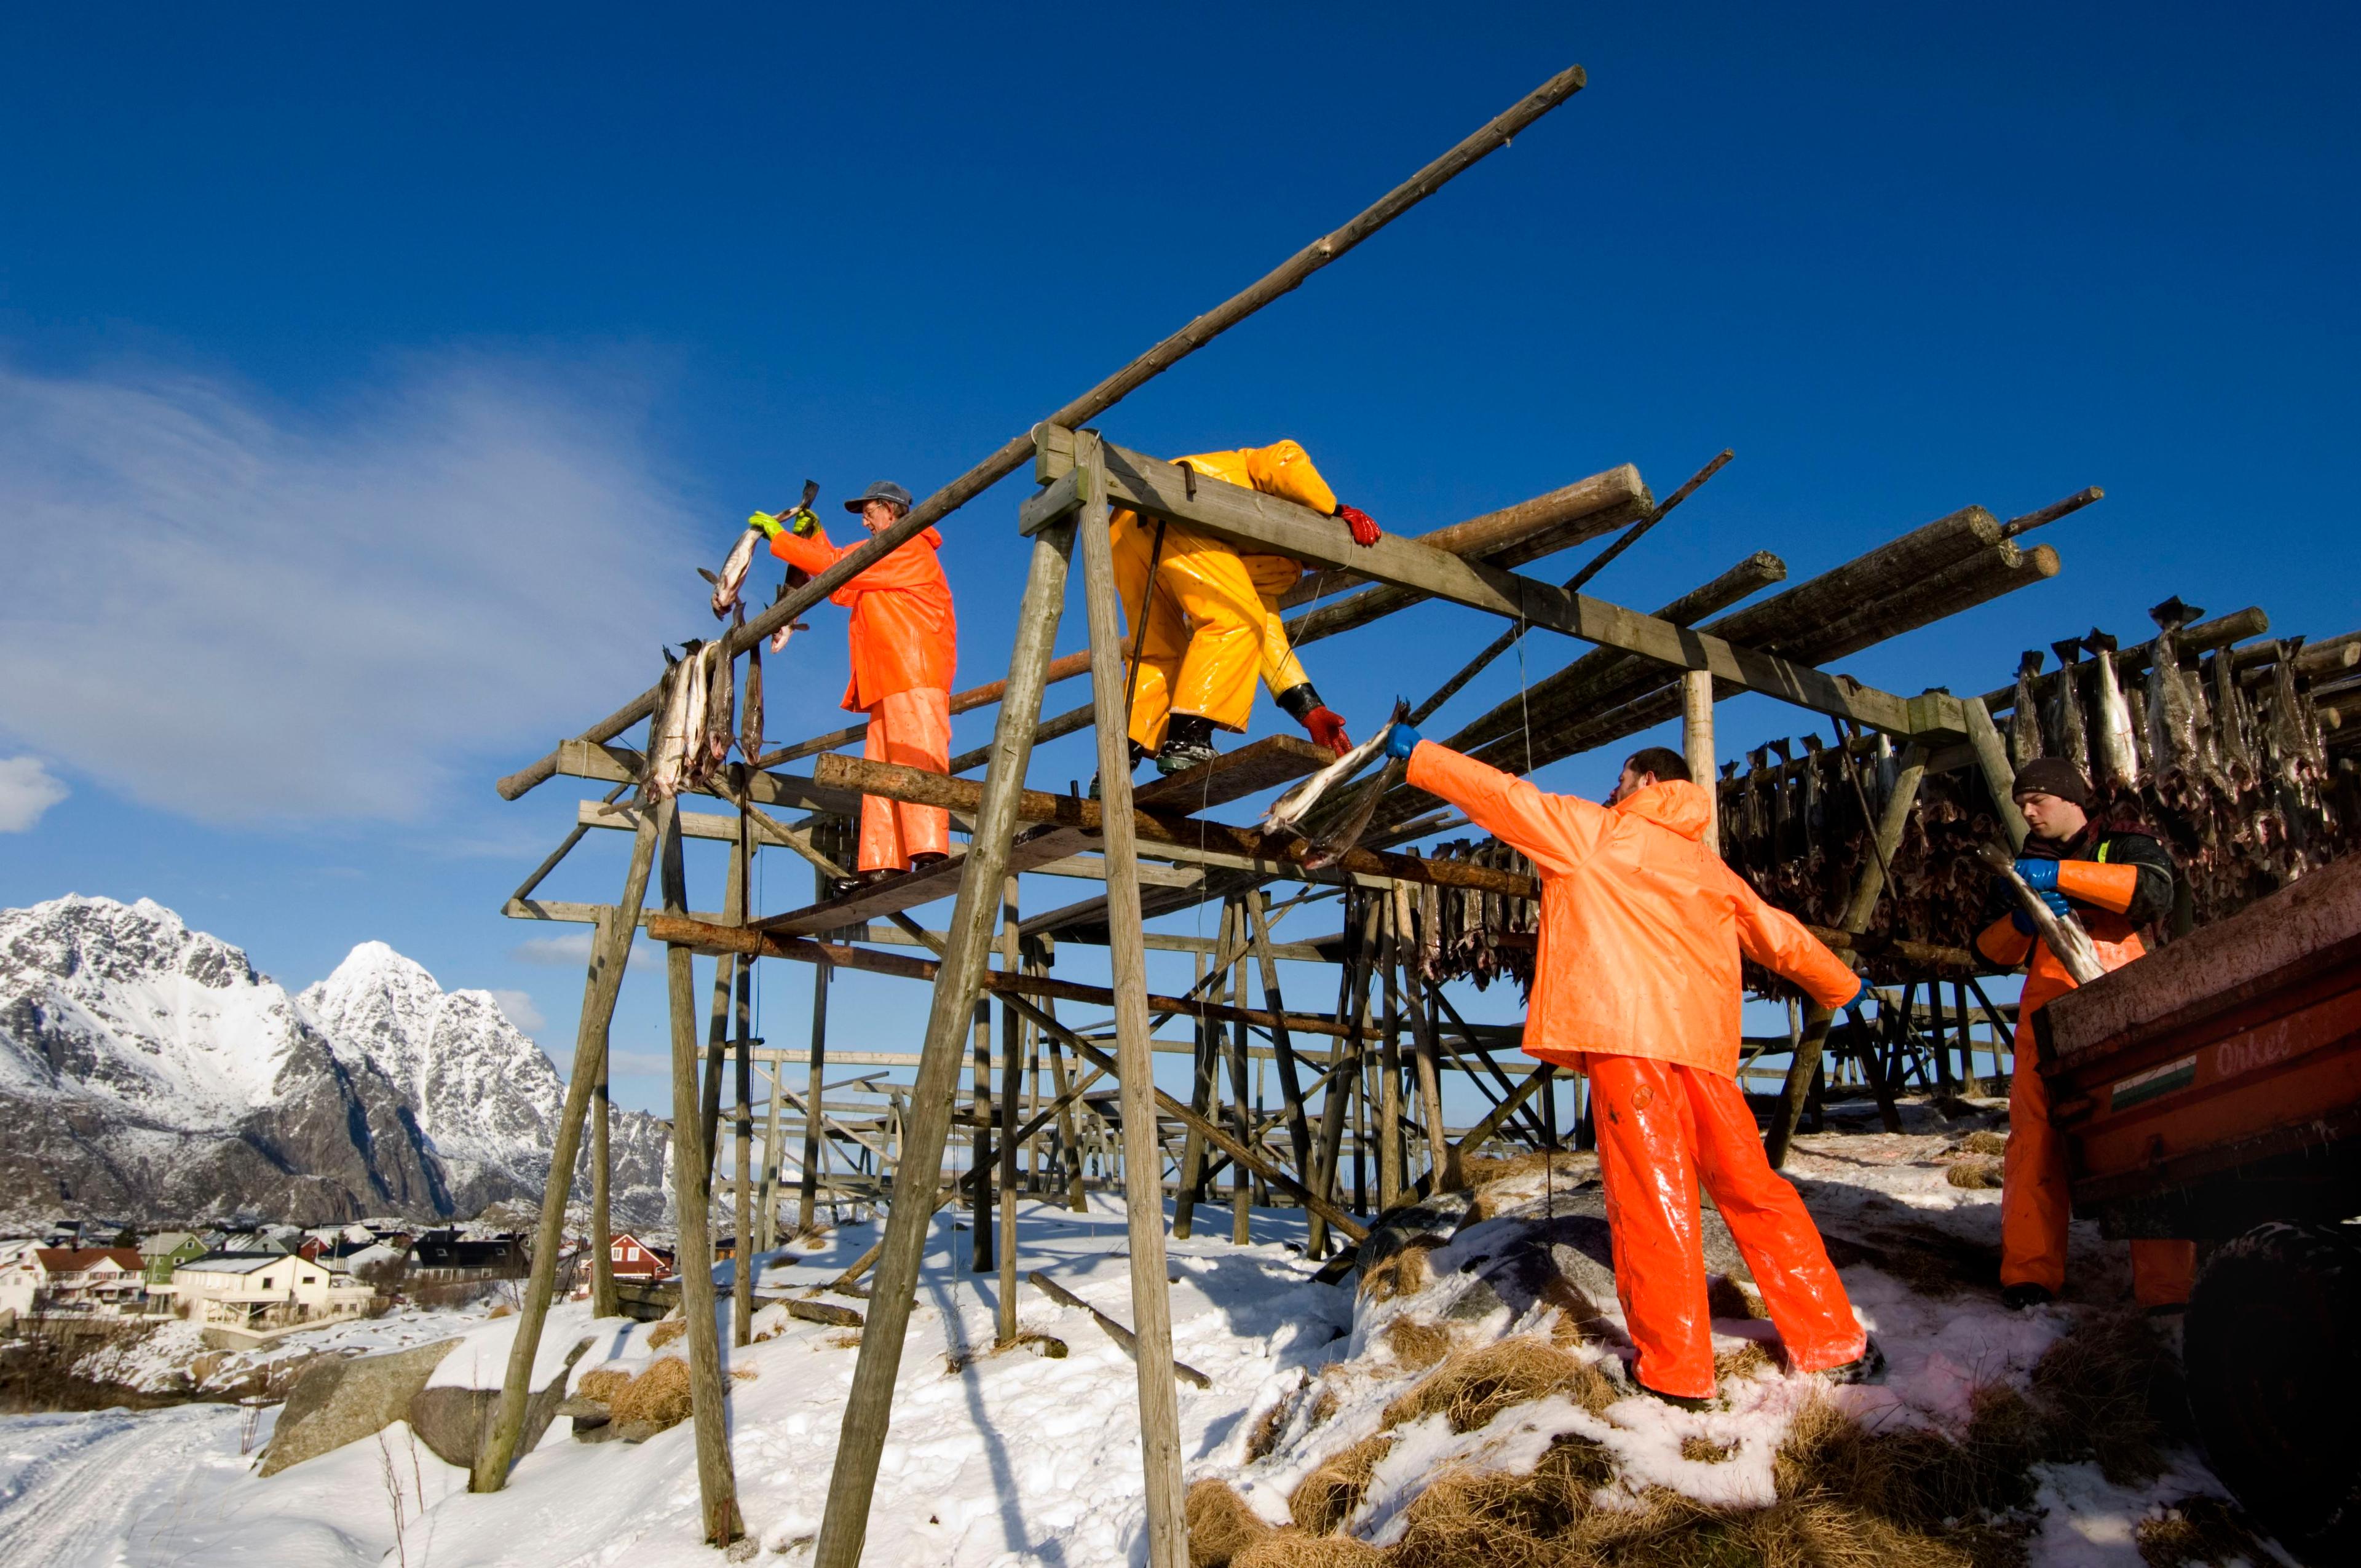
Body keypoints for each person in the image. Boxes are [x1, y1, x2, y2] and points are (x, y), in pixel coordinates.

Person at [1382, 726, 1880, 1404]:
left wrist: (1419, 756)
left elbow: (1501, 796)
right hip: (1704, 1054)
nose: (1611, 789)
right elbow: (1779, 935)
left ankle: (1676, 1370)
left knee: (1654, 1201)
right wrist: (1840, 986)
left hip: (1629, 1045)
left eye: (1621, 778)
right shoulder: (1708, 868)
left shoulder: (1596, 833)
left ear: (1647, 780)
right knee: (1756, 1192)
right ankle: (1832, 1341)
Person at [1973, 757, 2193, 1313]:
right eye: (2022, 802)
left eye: (2037, 800)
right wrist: (2021, 921)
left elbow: (2154, 892)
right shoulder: (2020, 865)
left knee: (2146, 1136)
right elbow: (1985, 948)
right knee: (2035, 1140)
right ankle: (2028, 1276)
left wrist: (2064, 877)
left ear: (2070, 799)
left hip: (2123, 1007)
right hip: (2044, 1019)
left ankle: (2168, 1291)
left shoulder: (2123, 842)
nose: (2026, 811)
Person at [1111, 440, 1378, 777]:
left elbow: (1267, 635)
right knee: (1235, 619)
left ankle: (1117, 758)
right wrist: (1334, 511)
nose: (1317, 568)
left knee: (1157, 650)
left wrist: (1310, 709)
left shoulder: (1261, 560)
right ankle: (1188, 738)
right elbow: (1285, 457)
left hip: (1127, 525)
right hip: (1184, 499)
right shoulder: (1264, 482)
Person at [749, 481, 957, 882]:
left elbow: (837, 565)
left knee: (917, 754)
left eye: (869, 511)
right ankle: (883, 862)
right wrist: (813, 536)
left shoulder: (907, 546)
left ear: (891, 511)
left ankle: (930, 849)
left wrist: (784, 539)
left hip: (915, 672)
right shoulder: (884, 556)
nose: (864, 521)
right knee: (878, 771)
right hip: (887, 678)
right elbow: (842, 584)